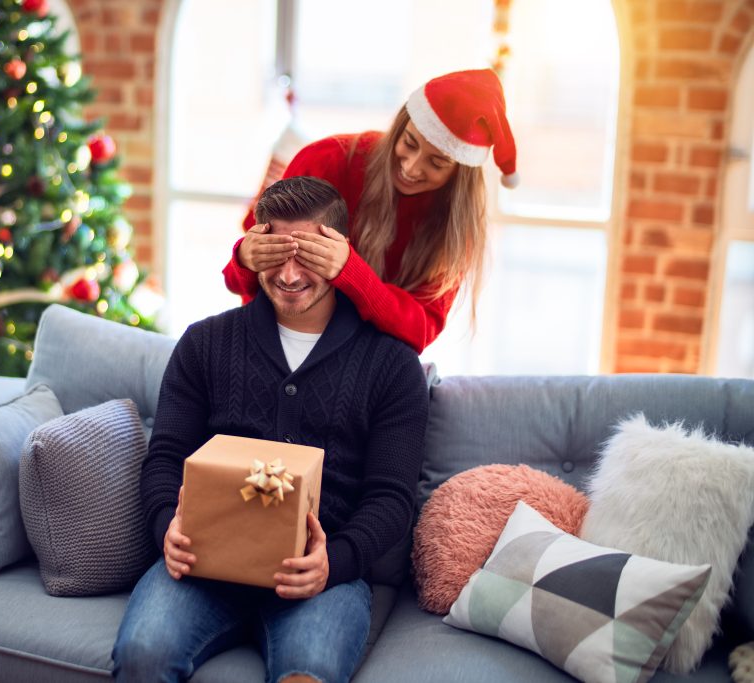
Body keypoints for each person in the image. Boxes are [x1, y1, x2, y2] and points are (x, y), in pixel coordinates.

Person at [112, 176, 429, 683]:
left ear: (339, 253)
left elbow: (391, 498)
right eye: (276, 251)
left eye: (305, 254)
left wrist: (335, 562)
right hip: (204, 567)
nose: (287, 273)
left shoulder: (392, 365)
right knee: (142, 654)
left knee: (311, 673)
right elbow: (165, 456)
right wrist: (163, 527)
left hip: (321, 579)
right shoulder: (204, 344)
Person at [222, 68, 519, 353]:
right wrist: (245, 258)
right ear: (399, 128)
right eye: (409, 143)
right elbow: (246, 280)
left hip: (366, 368)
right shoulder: (327, 161)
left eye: (437, 163)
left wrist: (349, 271)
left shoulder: (454, 228)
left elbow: (421, 329)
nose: (412, 167)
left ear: (459, 175)